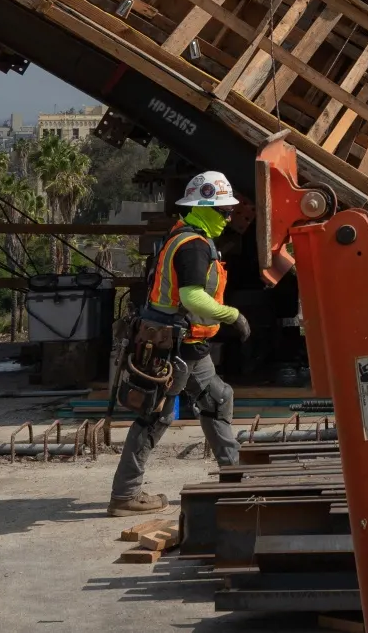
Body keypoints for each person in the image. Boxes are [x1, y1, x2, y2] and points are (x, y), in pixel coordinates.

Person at [108, 170, 254, 515]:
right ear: (203, 208)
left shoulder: (179, 236)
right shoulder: (194, 247)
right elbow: (191, 297)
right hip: (174, 345)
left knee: (217, 398)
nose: (228, 217)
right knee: (155, 415)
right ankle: (125, 495)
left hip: (180, 342)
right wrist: (232, 315)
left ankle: (232, 477)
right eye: (223, 210)